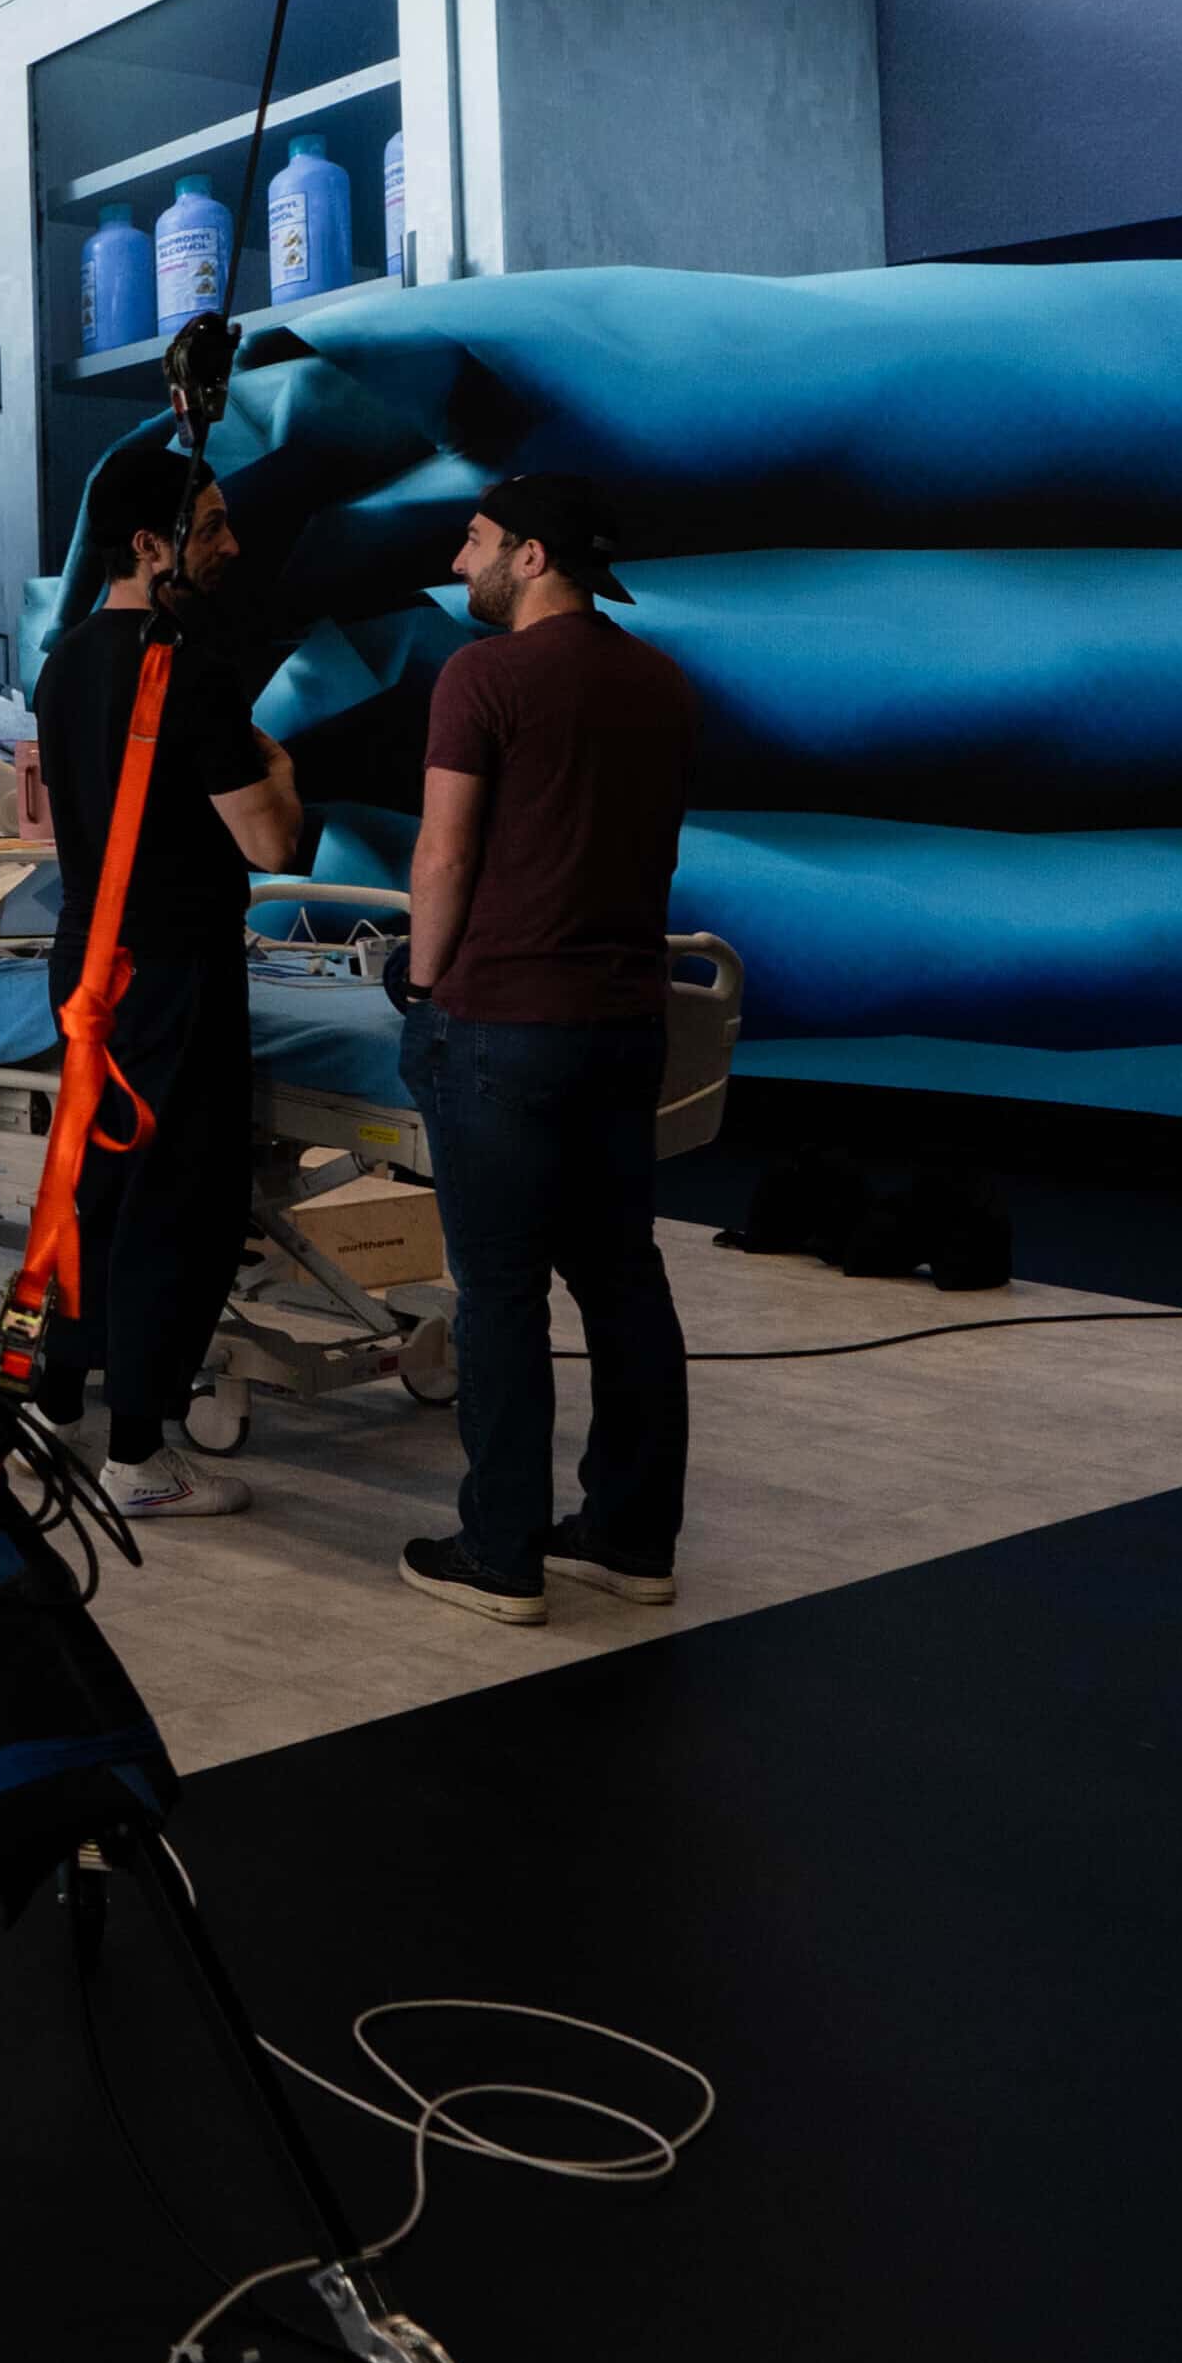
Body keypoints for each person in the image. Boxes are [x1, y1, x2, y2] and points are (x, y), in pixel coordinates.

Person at [395, 475, 698, 1627]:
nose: (457, 552)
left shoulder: (484, 676)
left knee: (502, 1291)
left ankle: (501, 1551)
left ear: (530, 555)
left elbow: (446, 856)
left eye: (474, 537)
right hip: (626, 1024)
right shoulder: (661, 683)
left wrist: (422, 986)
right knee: (623, 1278)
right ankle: (630, 1538)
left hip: (502, 1024)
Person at [14, 445, 315, 1517]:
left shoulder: (64, 665)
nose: (232, 545)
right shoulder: (186, 661)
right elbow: (271, 834)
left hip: (90, 961)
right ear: (151, 542)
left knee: (89, 1186)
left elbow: (60, 827)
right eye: (214, 526)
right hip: (176, 970)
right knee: (172, 1205)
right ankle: (139, 1455)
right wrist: (279, 765)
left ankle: (48, 1400)